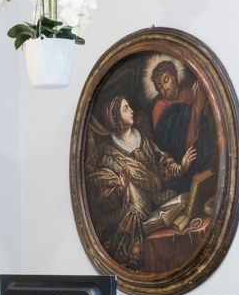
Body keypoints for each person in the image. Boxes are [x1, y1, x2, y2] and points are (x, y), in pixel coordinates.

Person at [86, 96, 202, 270]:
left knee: (185, 200)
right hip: (132, 212)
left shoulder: (141, 138)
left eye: (129, 106)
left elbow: (161, 158)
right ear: (116, 119)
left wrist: (181, 168)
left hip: (156, 199)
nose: (131, 110)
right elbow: (101, 196)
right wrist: (121, 187)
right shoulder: (108, 154)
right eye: (125, 109)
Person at [148, 59, 215, 193]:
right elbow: (170, 138)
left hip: (202, 154)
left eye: (166, 80)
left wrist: (202, 110)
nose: (164, 88)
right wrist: (197, 109)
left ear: (174, 75)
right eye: (159, 87)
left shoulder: (189, 92)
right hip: (179, 163)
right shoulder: (160, 106)